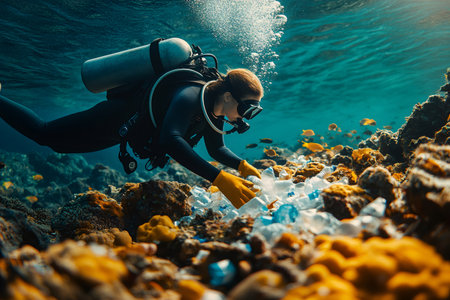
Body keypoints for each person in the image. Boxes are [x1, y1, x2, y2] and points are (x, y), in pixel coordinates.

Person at [0, 68, 264, 209]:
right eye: (247, 108)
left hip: (121, 132)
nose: (246, 118)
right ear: (229, 96)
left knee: (56, 144)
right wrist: (218, 179)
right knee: (43, 133)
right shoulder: (191, 96)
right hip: (113, 118)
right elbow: (170, 139)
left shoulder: (214, 112)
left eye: (252, 111)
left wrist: (242, 166)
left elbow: (217, 149)